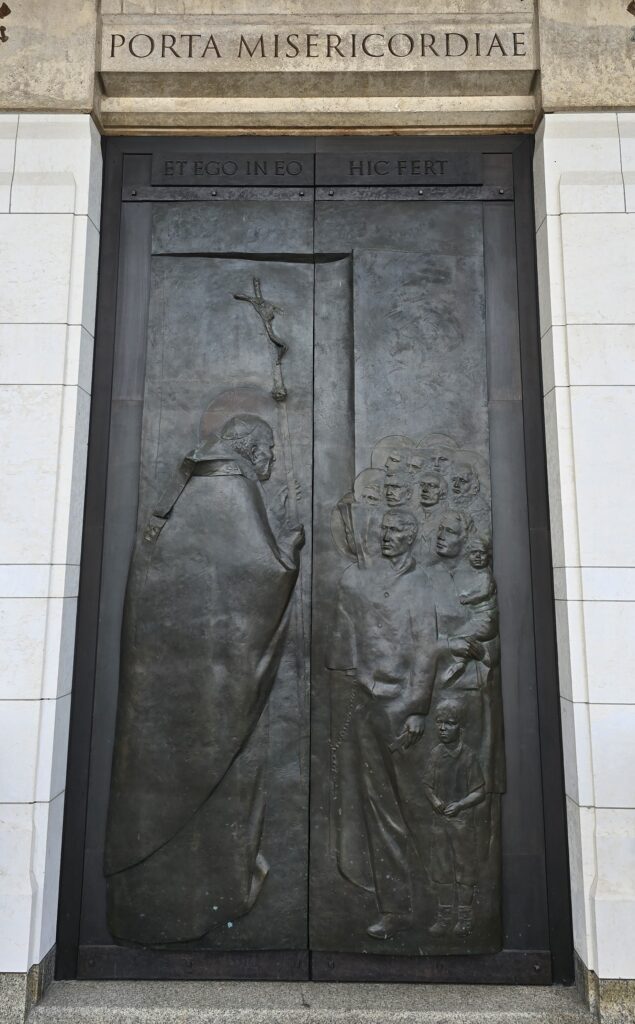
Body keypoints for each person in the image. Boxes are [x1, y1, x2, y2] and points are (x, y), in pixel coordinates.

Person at [104, 414, 304, 945]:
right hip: (208, 686)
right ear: (250, 447)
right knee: (212, 790)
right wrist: (288, 547)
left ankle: (151, 908)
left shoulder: (186, 486)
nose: (272, 460)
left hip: (171, 680)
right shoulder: (232, 487)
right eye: (268, 450)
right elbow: (263, 574)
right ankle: (196, 904)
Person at [327, 509, 438, 940]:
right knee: (379, 808)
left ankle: (441, 903)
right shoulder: (364, 579)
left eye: (395, 531)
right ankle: (396, 908)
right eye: (384, 529)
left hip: (401, 707)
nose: (387, 536)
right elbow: (349, 634)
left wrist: (418, 708)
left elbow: (426, 648)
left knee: (414, 805)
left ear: (410, 537)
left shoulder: (418, 583)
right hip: (368, 703)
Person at [422, 698, 486, 937]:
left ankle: (465, 918)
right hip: (439, 824)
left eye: (449, 723)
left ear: (461, 727)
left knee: (464, 870)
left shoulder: (468, 757)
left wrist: (460, 805)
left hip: (462, 825)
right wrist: (435, 802)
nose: (442, 728)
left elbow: (480, 791)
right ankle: (444, 917)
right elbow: (426, 785)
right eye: (439, 722)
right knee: (441, 871)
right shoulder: (435, 755)